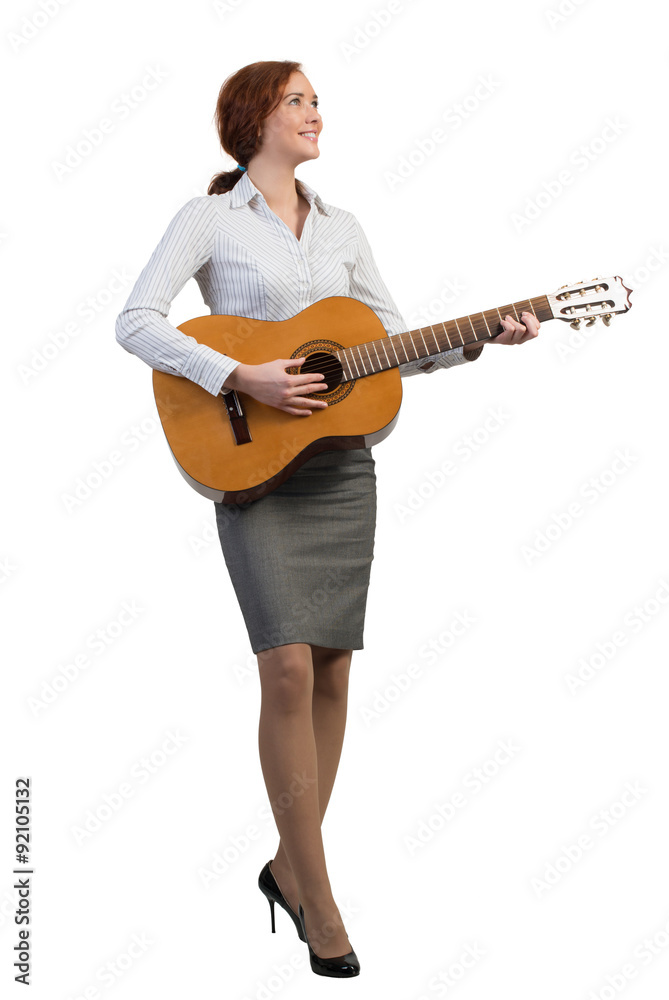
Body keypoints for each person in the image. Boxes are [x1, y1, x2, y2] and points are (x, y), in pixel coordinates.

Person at [114, 59, 539, 978]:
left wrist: (476, 338)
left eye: (315, 100)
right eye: (298, 99)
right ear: (254, 117)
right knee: (286, 668)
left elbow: (387, 346)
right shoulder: (209, 218)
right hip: (253, 463)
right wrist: (239, 374)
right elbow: (137, 320)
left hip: (342, 469)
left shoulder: (344, 227)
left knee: (335, 670)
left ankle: (284, 869)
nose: (315, 112)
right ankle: (320, 894)